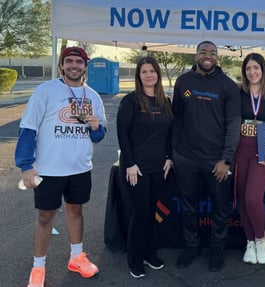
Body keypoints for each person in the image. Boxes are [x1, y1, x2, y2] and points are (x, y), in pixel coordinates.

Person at [15, 47, 106, 287]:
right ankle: (38, 268)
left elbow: (98, 137)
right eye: (69, 62)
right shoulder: (46, 91)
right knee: (45, 217)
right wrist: (25, 165)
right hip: (48, 169)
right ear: (62, 66)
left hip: (79, 168)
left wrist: (96, 127)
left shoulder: (93, 96)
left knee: (76, 211)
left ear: (85, 66)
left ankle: (77, 257)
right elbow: (28, 128)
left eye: (79, 62)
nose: (74, 66)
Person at [172, 40, 241, 272]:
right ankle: (191, 246)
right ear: (196, 55)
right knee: (189, 206)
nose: (207, 56)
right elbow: (177, 118)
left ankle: (217, 248)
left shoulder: (228, 86)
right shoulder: (183, 82)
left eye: (212, 52)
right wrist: (176, 151)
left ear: (218, 57)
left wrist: (226, 159)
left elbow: (233, 124)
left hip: (217, 161)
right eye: (203, 52)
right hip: (186, 158)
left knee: (221, 208)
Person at [116, 56, 173, 279]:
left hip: (158, 167)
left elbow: (169, 133)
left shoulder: (164, 100)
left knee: (152, 214)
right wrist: (129, 163)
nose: (149, 75)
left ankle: (150, 253)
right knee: (139, 215)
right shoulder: (130, 101)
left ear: (158, 74)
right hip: (136, 169)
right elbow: (122, 134)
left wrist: (169, 157)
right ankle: (135, 259)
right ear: (138, 76)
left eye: (152, 71)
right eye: (144, 72)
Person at [235, 53, 265, 265]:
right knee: (243, 198)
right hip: (241, 149)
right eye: (248, 69)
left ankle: (261, 239)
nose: (252, 72)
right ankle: (249, 241)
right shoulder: (238, 92)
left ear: (263, 69)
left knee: (253, 197)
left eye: (256, 68)